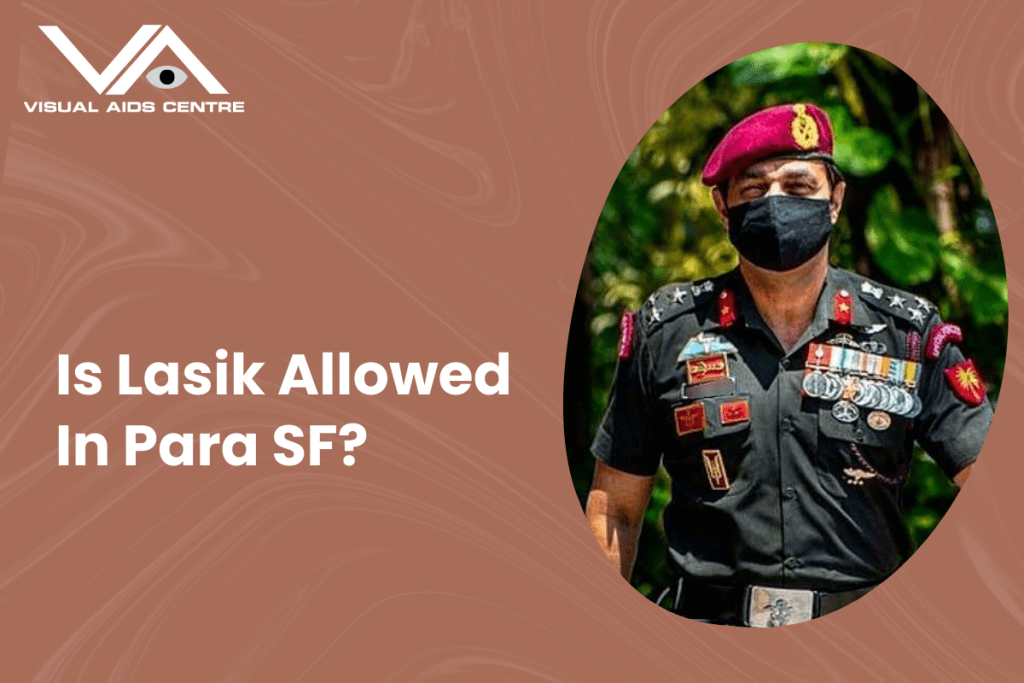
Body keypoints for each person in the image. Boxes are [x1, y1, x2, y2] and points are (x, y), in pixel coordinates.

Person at [585, 103, 993, 627]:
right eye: (753, 190)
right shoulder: (668, 333)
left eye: (798, 187)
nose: (776, 202)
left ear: (835, 200)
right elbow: (615, 510)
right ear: (723, 207)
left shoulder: (906, 335)